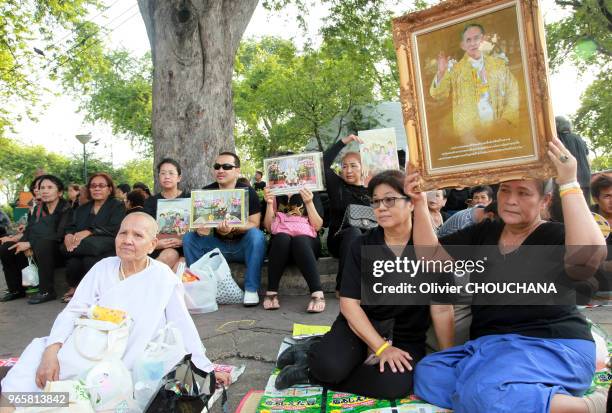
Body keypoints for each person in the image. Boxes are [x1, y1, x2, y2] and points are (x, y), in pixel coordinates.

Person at [408, 137, 608, 413]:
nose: (511, 200)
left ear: (544, 200)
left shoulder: (554, 235)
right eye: (504, 190)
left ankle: (591, 405)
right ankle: (521, 396)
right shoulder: (484, 233)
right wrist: (418, 201)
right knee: (429, 373)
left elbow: (588, 258)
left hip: (552, 344)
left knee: (482, 391)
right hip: (492, 348)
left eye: (523, 193)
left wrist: (569, 183)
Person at [0, 213, 230, 405]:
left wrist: (204, 368)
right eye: (123, 233)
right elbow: (73, 311)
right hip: (87, 345)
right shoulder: (103, 268)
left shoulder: (162, 276)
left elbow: (182, 324)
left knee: (90, 393)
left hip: (128, 357)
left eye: (138, 235)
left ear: (152, 245)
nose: (128, 240)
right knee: (36, 358)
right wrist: (51, 352)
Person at [274, 171, 454, 398]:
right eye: (376, 201)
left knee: (394, 386)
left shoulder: (430, 249)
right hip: (360, 327)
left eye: (390, 199)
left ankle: (310, 370)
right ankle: (314, 360)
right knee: (328, 366)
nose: (381, 207)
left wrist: (449, 358)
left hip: (405, 336)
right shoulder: (361, 245)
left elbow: (442, 308)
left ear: (411, 204)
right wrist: (380, 347)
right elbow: (349, 305)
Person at [182, 152, 265, 306]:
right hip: (217, 247)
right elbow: (199, 223)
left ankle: (251, 290)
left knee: (257, 235)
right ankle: (199, 289)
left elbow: (255, 223)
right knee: (189, 238)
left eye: (226, 166)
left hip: (242, 246)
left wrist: (233, 228)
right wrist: (201, 230)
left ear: (237, 170)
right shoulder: (206, 192)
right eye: (217, 166)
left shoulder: (248, 192)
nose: (220, 170)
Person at [430, 23, 519, 139]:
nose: (473, 43)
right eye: (468, 40)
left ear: (483, 39)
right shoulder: (455, 70)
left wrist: (506, 119)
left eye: (476, 38)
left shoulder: (498, 65)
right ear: (463, 45)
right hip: (470, 137)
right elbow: (438, 95)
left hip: (498, 130)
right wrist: (441, 72)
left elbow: (513, 91)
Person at [0, 175, 72, 304]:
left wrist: (30, 244)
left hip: (57, 250)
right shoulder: (38, 209)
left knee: (43, 244)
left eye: (50, 187)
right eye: (42, 188)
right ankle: (16, 289)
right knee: (7, 248)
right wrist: (23, 242)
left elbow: (59, 235)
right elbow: (30, 230)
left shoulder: (66, 209)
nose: (44, 191)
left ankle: (47, 291)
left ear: (60, 192)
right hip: (38, 246)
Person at [61, 173, 125, 303]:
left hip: (107, 242)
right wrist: (68, 235)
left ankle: (96, 291)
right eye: (93, 186)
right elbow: (71, 226)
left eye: (101, 186)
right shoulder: (82, 208)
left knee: (88, 254)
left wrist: (90, 231)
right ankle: (76, 288)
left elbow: (115, 227)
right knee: (76, 260)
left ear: (109, 189)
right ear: (89, 189)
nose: (97, 189)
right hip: (84, 245)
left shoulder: (117, 205)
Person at [262, 188, 325, 312]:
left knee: (299, 240)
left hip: (306, 247)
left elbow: (317, 226)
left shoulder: (310, 190)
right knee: (281, 238)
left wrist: (309, 202)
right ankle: (272, 291)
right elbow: (269, 228)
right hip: (281, 248)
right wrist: (269, 204)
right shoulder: (273, 191)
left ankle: (317, 292)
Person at [323, 134, 370, 292]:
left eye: (353, 166)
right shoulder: (337, 186)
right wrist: (344, 141)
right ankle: (343, 287)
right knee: (353, 232)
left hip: (368, 240)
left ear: (363, 167)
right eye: (344, 166)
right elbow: (322, 164)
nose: (348, 170)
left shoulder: (373, 190)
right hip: (340, 239)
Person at [144, 158, 191, 272]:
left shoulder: (190, 199)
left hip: (186, 247)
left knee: (181, 266)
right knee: (169, 255)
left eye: (171, 173)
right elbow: (144, 229)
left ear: (179, 177)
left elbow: (198, 228)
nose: (167, 176)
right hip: (160, 246)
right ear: (159, 177)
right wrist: (156, 244)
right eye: (163, 173)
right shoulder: (151, 202)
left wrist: (183, 241)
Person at [556, 116, 591, 203]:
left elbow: (561, 159)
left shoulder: (558, 139)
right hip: (586, 179)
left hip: (569, 182)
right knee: (586, 210)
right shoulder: (578, 138)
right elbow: (588, 160)